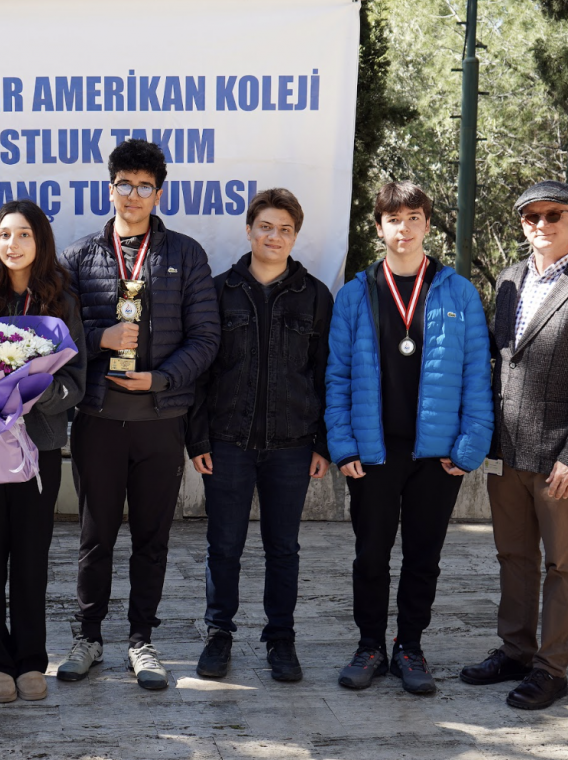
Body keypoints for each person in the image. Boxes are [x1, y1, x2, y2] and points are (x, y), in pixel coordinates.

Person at [459, 180, 568, 710]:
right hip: (507, 451)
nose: (541, 224)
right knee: (513, 556)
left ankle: (551, 669)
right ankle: (515, 652)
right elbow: (499, 364)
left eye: (553, 214)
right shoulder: (509, 280)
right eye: (531, 216)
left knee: (563, 565)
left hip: (561, 458)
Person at [58, 139, 220, 690]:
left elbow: (206, 338)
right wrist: (100, 338)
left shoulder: (186, 255)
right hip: (98, 421)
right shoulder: (79, 257)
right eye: (124, 184)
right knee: (95, 536)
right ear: (110, 189)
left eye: (144, 186)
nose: (133, 195)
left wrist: (161, 379)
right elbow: (57, 338)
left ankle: (141, 640)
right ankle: (88, 637)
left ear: (159, 193)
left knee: (152, 538)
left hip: (160, 421)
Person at [325, 181, 493, 695]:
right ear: (379, 227)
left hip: (436, 455)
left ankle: (410, 647)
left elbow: (477, 375)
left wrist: (470, 446)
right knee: (370, 556)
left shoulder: (458, 292)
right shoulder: (355, 293)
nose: (405, 228)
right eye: (394, 219)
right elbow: (337, 375)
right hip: (374, 452)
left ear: (427, 224)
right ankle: (370, 646)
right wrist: (343, 445)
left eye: (414, 217)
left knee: (423, 558)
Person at [187, 188, 333, 683]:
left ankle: (281, 639)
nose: (275, 237)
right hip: (227, 443)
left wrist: (323, 443)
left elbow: (326, 374)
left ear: (295, 236)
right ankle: (218, 634)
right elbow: (200, 372)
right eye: (266, 227)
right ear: (249, 230)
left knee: (283, 549)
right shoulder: (218, 291)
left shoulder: (315, 296)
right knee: (223, 545)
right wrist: (198, 440)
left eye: (285, 230)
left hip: (292, 445)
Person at [0, 200, 86, 703]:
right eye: (5, 234)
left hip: (40, 446)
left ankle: (31, 659)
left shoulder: (63, 301)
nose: (13, 244)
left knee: (32, 556)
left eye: (24, 234)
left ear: (41, 242)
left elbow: (77, 380)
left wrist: (34, 394)